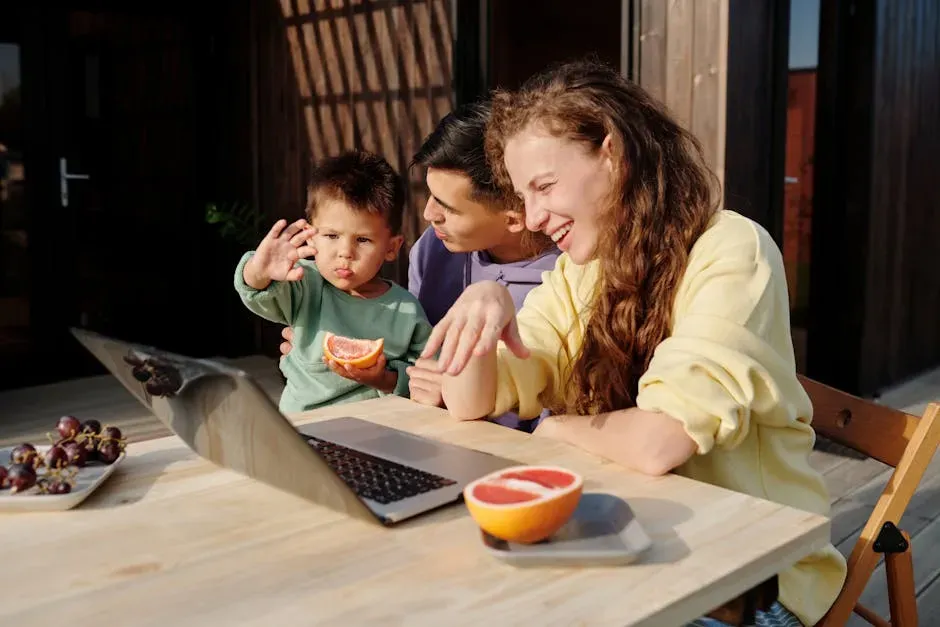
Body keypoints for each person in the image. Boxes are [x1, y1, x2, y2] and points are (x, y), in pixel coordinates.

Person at [422, 61, 847, 627]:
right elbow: (470, 400)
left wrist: (556, 429)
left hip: (751, 577)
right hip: (627, 543)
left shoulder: (731, 250)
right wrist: (486, 302)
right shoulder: (581, 273)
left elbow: (659, 443)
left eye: (545, 186)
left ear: (613, 153)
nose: (535, 217)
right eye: (524, 196)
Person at [279, 101, 560, 431]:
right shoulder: (435, 248)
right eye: (430, 194)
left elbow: (554, 408)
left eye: (447, 207)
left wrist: (460, 393)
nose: (428, 214)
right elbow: (409, 354)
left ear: (513, 218)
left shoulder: (566, 281)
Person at [234, 150, 431, 413]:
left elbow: (427, 376)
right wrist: (259, 271)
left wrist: (384, 379)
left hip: (379, 427)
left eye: (363, 240)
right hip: (305, 424)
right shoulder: (304, 282)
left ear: (391, 247)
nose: (345, 252)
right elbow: (258, 295)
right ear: (310, 236)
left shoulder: (405, 310)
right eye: (331, 236)